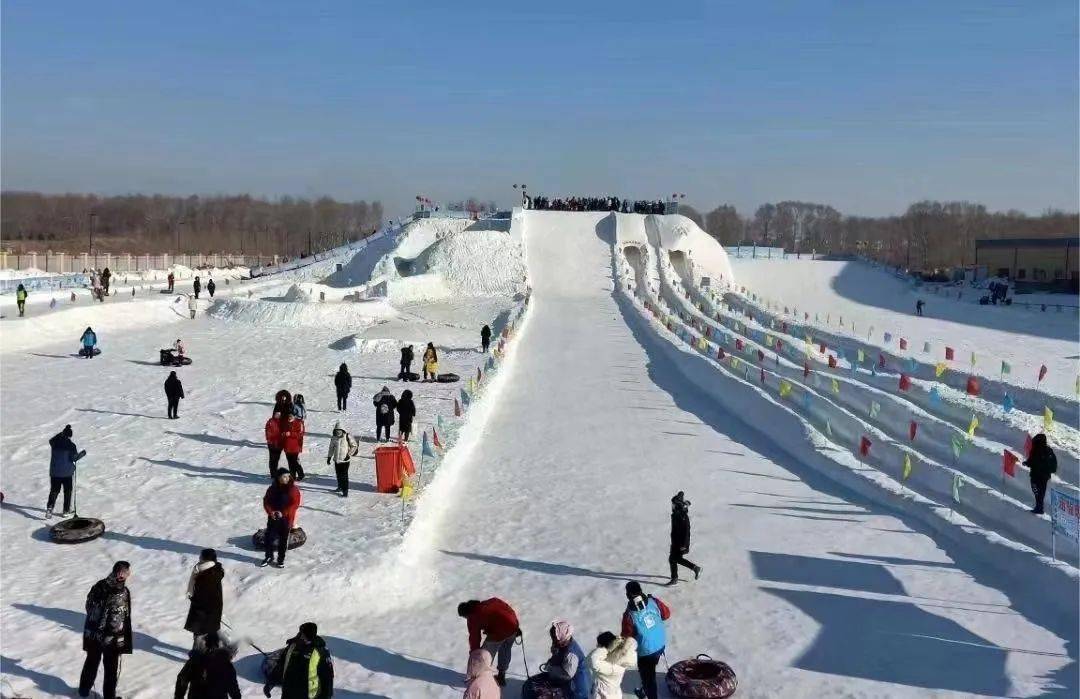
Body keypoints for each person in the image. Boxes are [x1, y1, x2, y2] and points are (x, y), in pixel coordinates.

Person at [79, 561, 133, 699]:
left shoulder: (100, 585)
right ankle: (108, 696)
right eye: (125, 572)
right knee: (110, 669)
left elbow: (88, 606)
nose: (127, 574)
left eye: (127, 572)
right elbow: (120, 616)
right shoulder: (120, 591)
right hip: (110, 637)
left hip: (94, 633)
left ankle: (83, 691)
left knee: (92, 662)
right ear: (120, 573)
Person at [620, 581, 671, 699]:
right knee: (649, 671)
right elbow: (667, 614)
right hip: (660, 643)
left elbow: (626, 637)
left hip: (646, 652)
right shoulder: (654, 602)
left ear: (627, 595)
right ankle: (644, 690)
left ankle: (650, 693)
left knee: (649, 679)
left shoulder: (629, 615)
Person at [458, 598, 520, 687]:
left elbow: (474, 637)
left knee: (484, 656)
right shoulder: (492, 601)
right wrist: (516, 625)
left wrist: (475, 653)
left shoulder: (472, 617)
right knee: (505, 651)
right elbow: (507, 609)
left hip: (500, 632)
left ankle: (480, 680)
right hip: (513, 627)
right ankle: (501, 676)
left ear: (466, 614)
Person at [263, 622, 334, 698]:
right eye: (301, 633)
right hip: (288, 693)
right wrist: (270, 684)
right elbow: (280, 666)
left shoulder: (320, 651)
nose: (301, 636)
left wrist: (327, 696)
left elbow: (327, 677)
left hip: (307, 695)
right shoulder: (292, 646)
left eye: (304, 634)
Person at [174, 630, 241, 699]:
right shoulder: (226, 665)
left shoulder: (194, 661)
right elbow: (233, 688)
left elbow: (182, 679)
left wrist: (179, 696)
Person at [262, 468, 301, 568]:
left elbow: (295, 504)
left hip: (286, 519)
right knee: (269, 537)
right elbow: (266, 501)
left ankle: (280, 560)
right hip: (273, 518)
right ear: (278, 477)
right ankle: (269, 556)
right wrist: (271, 512)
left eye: (288, 476)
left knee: (283, 540)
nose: (287, 478)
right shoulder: (272, 489)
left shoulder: (293, 489)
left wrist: (282, 513)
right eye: (284, 476)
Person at [184, 549, 223, 646]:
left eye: (201, 556)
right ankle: (218, 650)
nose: (199, 557)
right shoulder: (209, 569)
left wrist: (194, 600)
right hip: (211, 608)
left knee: (199, 632)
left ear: (205, 558)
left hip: (204, 609)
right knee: (211, 630)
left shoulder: (207, 574)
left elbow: (204, 595)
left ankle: (197, 655)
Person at [47, 424, 86, 518]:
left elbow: (50, 440)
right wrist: (82, 454)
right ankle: (66, 511)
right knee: (67, 491)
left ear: (63, 434)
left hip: (55, 472)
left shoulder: (55, 443)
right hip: (67, 473)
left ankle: (50, 508)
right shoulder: (71, 446)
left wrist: (62, 432)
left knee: (54, 491)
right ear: (70, 436)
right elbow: (74, 458)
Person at [545, 621, 591, 699]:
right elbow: (559, 656)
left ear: (561, 637)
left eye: (554, 638)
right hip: (569, 678)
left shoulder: (571, 654)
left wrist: (552, 668)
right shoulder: (564, 642)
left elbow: (567, 674)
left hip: (578, 687)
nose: (553, 640)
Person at [588, 632, 637, 699]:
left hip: (603, 696)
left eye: (598, 645)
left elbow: (592, 660)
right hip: (615, 694)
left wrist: (605, 650)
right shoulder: (620, 661)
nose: (596, 646)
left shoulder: (611, 667)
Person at [668, 491, 701, 584]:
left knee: (675, 558)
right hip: (676, 541)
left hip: (681, 542)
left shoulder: (681, 516)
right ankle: (675, 578)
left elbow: (686, 531)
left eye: (673, 504)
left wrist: (683, 545)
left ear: (677, 505)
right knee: (673, 559)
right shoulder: (676, 515)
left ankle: (695, 568)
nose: (672, 506)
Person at [1024, 433, 1057, 514]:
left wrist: (1027, 463)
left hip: (1036, 475)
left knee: (1037, 491)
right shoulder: (1048, 450)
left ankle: (1039, 508)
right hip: (1045, 476)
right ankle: (1039, 508)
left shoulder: (1036, 450)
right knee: (1041, 492)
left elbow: (1033, 461)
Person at [326, 421, 357, 497]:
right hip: (337, 460)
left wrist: (349, 454)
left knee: (344, 476)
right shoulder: (333, 437)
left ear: (342, 430)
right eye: (336, 431)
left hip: (345, 460)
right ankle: (340, 487)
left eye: (339, 431)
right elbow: (331, 448)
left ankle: (345, 491)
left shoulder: (347, 436)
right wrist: (329, 457)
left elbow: (354, 445)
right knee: (338, 474)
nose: (338, 432)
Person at [281, 410, 306, 480]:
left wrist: (290, 434)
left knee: (294, 461)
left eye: (291, 416)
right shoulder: (285, 423)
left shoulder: (299, 423)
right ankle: (293, 476)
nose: (289, 417)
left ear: (294, 416)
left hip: (295, 446)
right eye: (288, 416)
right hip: (287, 446)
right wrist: (283, 434)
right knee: (290, 462)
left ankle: (301, 474)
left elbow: (301, 434)